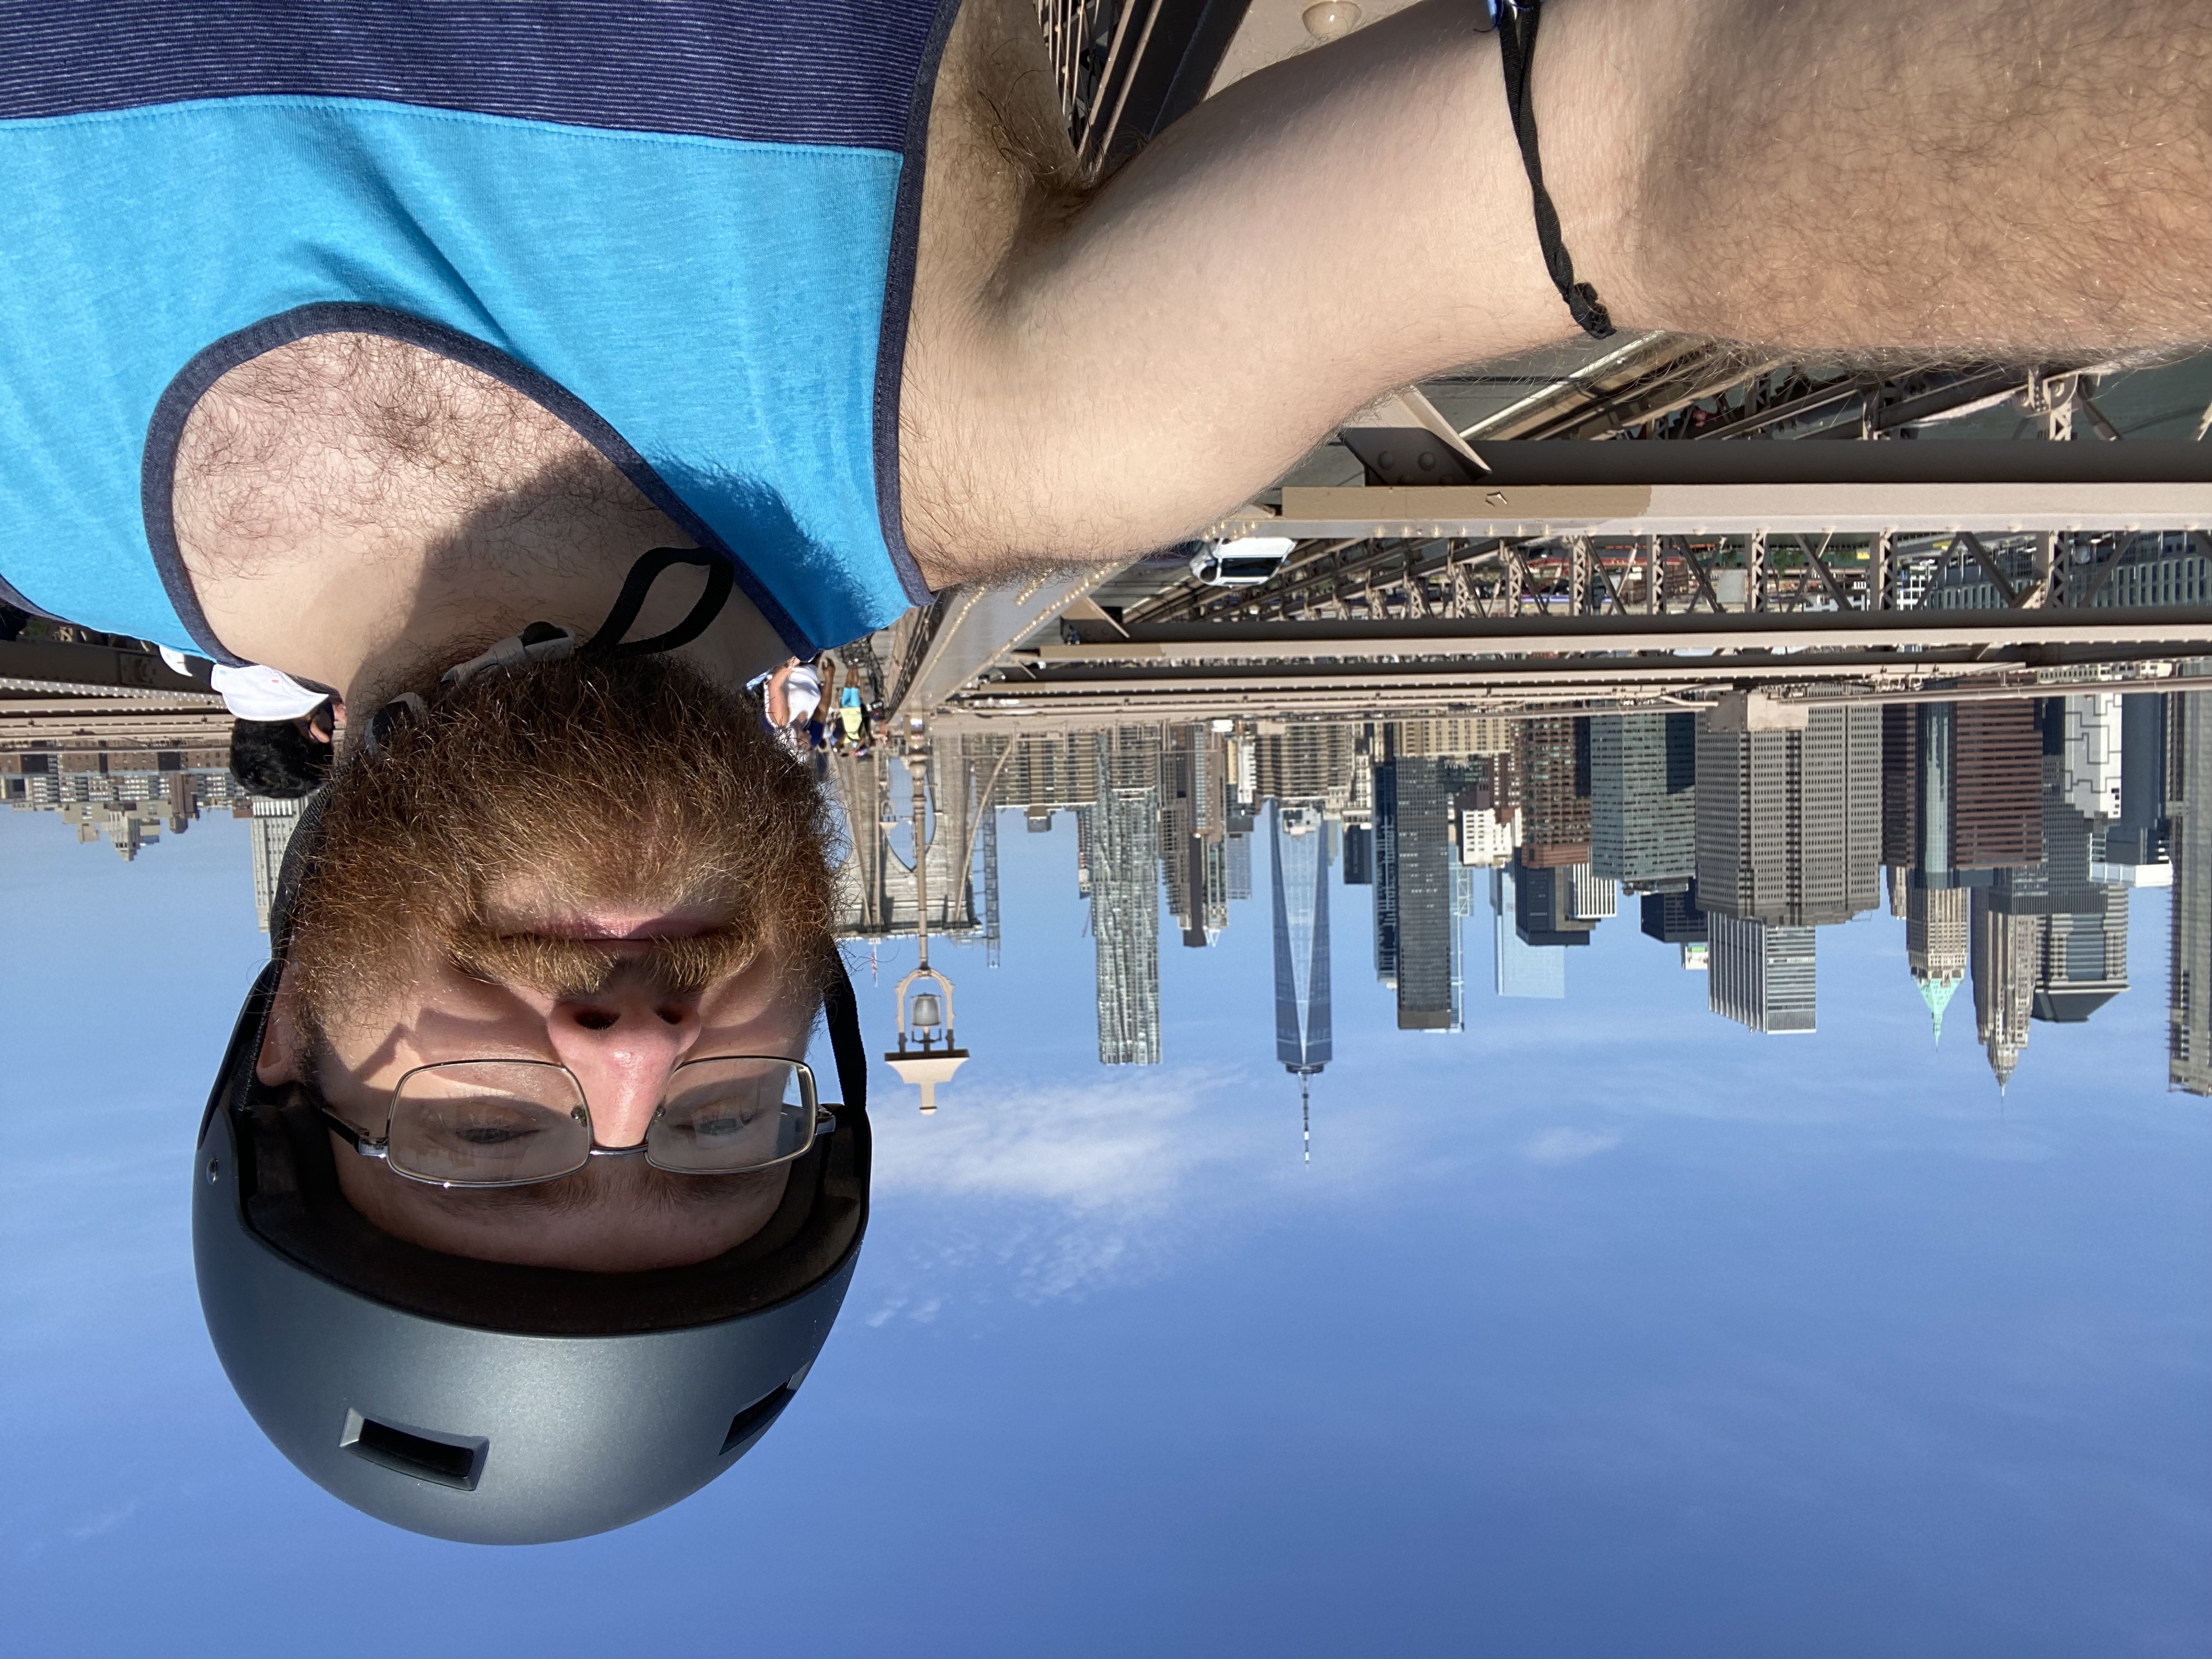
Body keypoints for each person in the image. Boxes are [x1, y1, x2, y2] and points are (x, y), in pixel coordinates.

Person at [1, 0, 2200, 1538]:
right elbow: (1635, 141)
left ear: (293, 1050)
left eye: (484, 1140)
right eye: (736, 1127)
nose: (627, 1063)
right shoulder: (1017, 413)